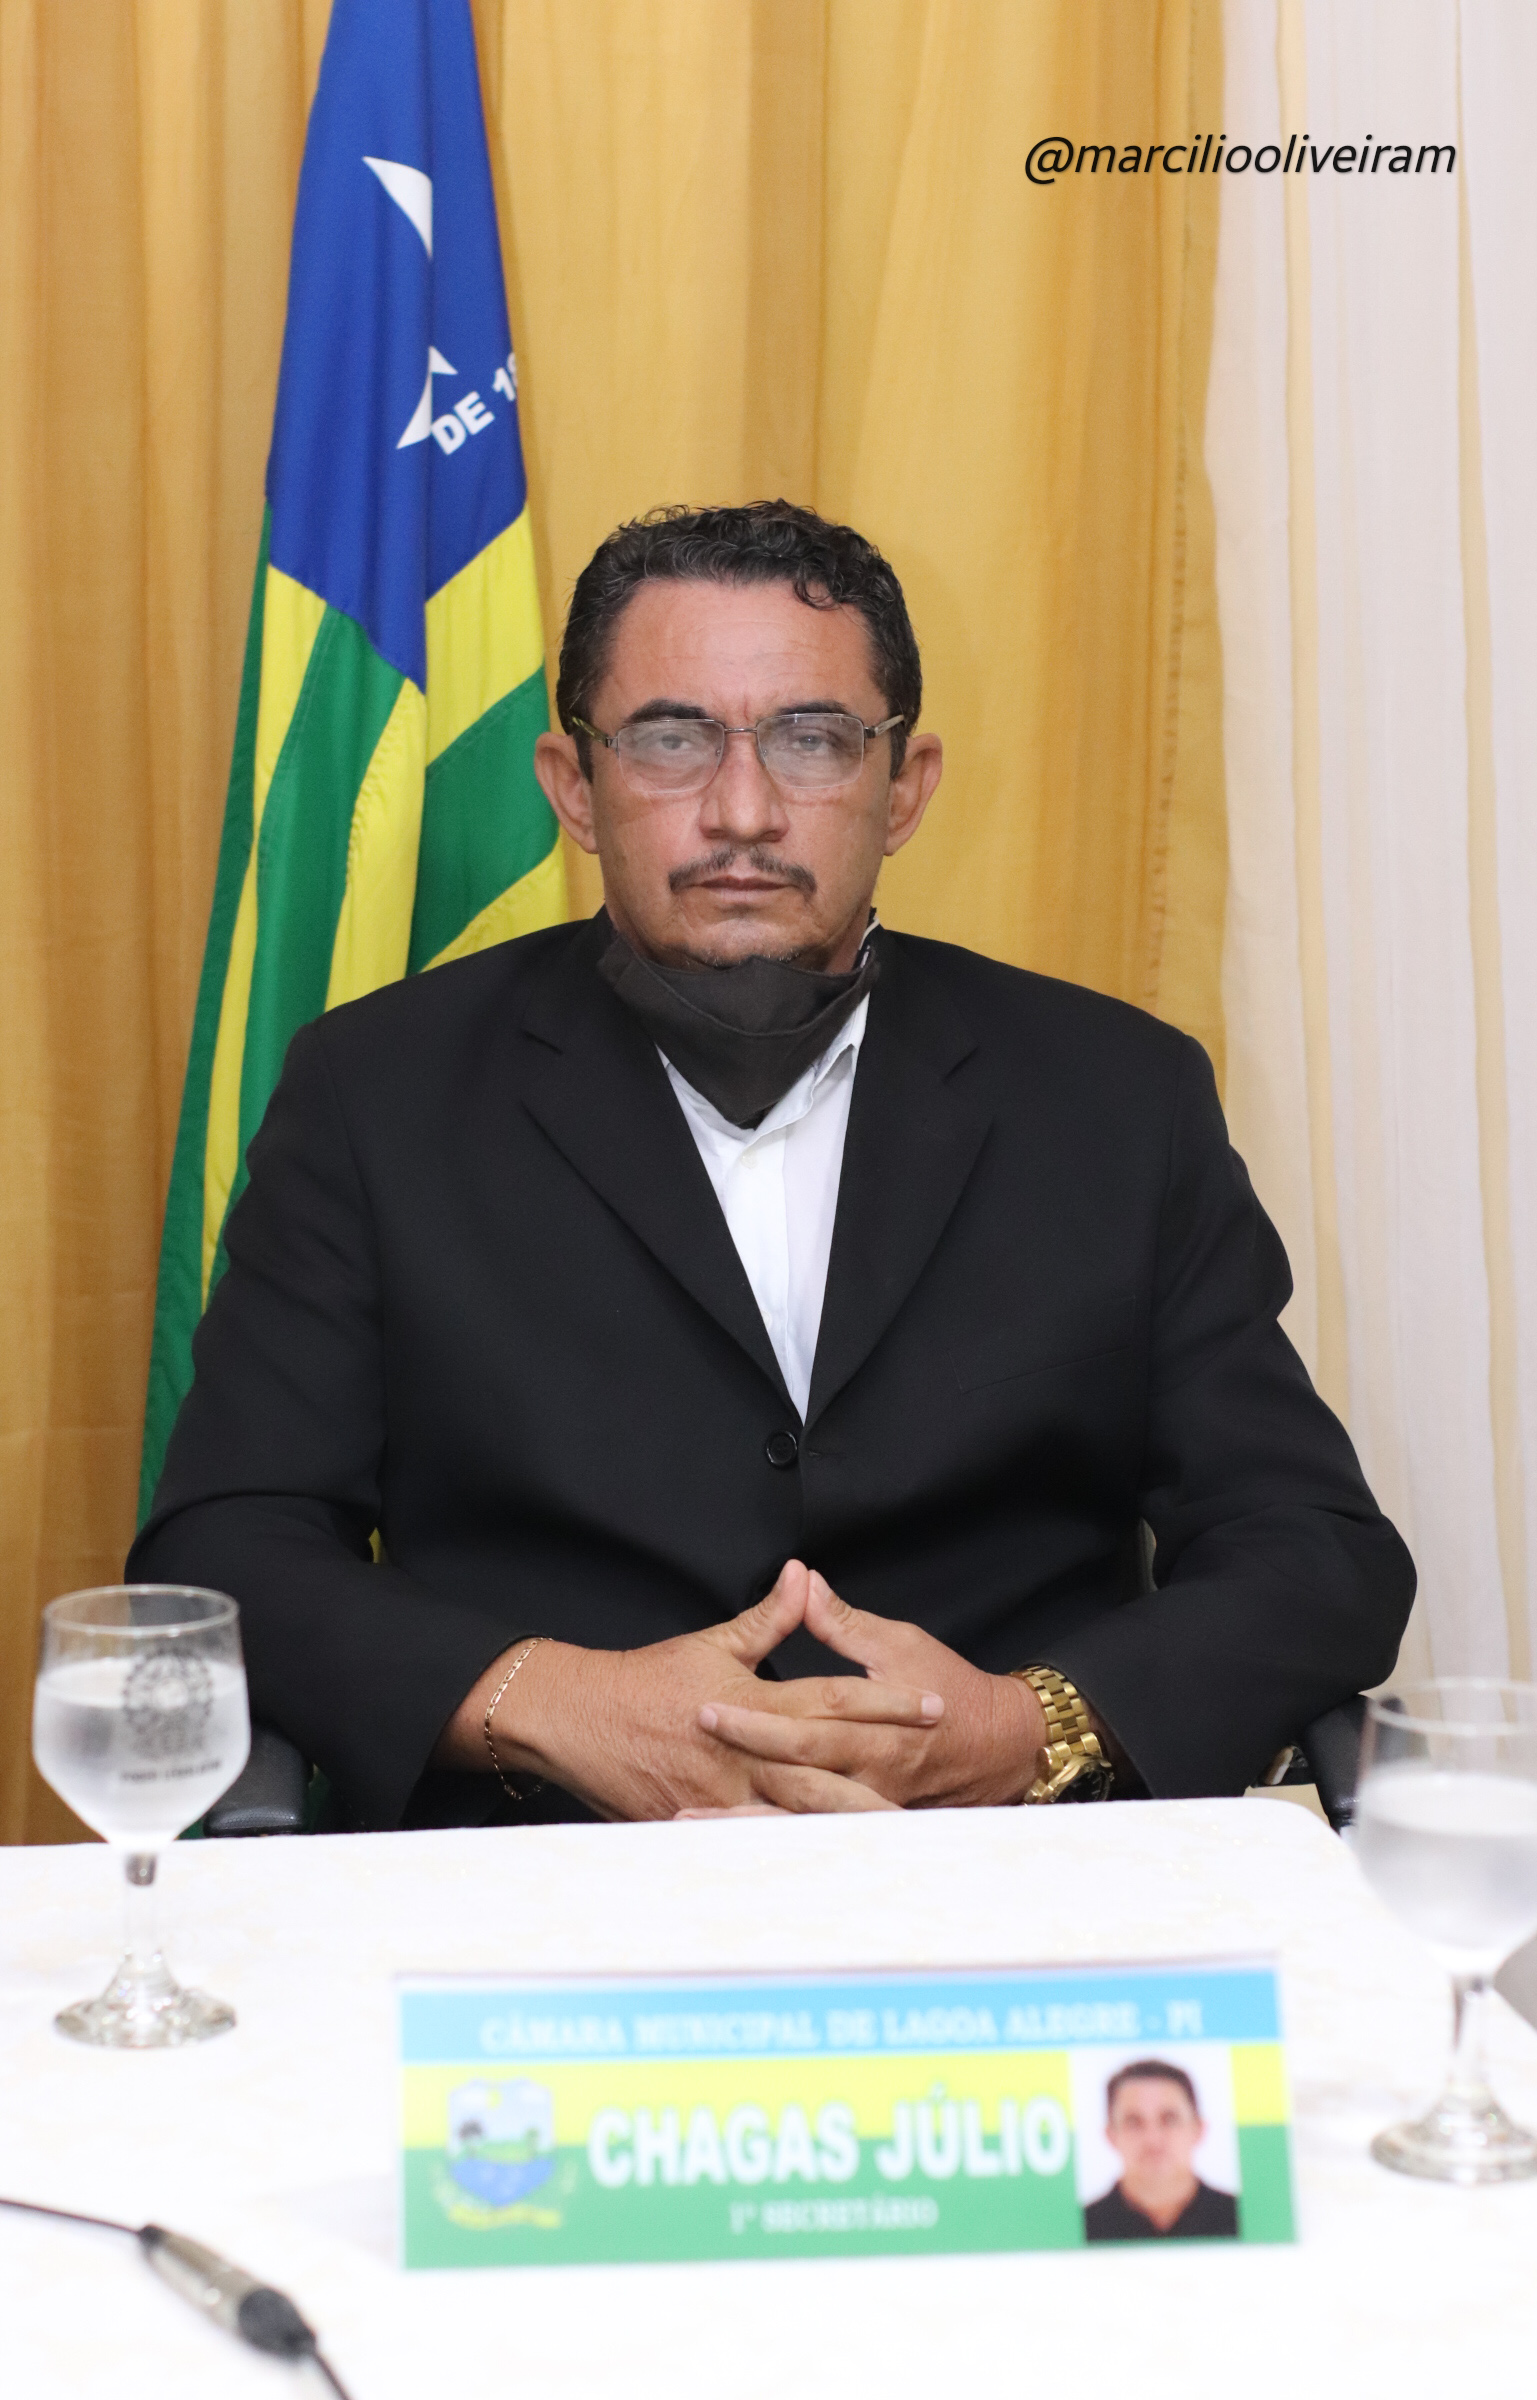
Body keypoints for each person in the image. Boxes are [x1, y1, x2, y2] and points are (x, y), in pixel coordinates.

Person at [129, 501, 1414, 1831]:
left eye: (810, 740)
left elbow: (1313, 1552)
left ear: (903, 787)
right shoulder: (374, 1093)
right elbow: (228, 1550)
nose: (740, 812)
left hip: (1004, 1868)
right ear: (572, 787)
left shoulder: (1116, 1095)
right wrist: (556, 1705)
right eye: (670, 738)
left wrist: (1028, 1730)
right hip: (540, 1869)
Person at [1083, 2061, 1239, 2241]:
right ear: (1110, 2135)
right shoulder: (1081, 2228)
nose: (1153, 2140)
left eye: (1169, 2119)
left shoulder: (1242, 2219)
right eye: (1133, 2122)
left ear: (1198, 2129)